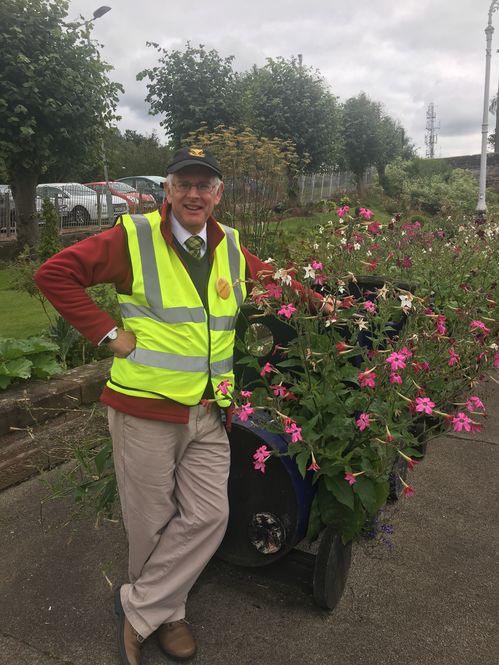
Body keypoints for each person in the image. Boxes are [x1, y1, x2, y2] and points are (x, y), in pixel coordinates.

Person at [35, 147, 324, 665]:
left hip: (210, 409)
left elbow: (277, 284)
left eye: (204, 185)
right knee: (150, 521)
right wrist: (106, 333)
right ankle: (170, 617)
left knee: (210, 515)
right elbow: (55, 274)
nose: (194, 194)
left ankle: (138, 607)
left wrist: (327, 305)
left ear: (217, 194)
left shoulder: (230, 245)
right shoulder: (134, 236)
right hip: (145, 407)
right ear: (167, 189)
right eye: (183, 183)